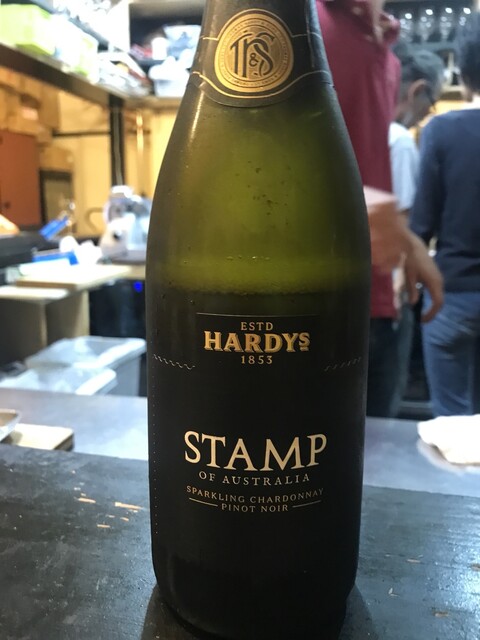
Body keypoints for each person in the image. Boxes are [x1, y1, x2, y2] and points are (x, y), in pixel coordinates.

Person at [317, 0, 443, 417]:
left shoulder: (384, 47)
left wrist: (401, 237)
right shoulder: (310, 26)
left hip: (379, 293)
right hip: (321, 303)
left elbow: (358, 166)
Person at [409, 13, 480, 417]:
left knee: (453, 426)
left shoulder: (442, 131)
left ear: (464, 73)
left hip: (453, 296)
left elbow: (421, 224)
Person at [388, 42, 444, 416]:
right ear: (417, 91)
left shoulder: (341, 129)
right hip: (387, 298)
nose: (428, 113)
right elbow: (400, 227)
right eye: (431, 102)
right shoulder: (400, 142)